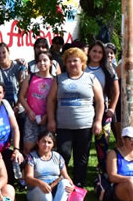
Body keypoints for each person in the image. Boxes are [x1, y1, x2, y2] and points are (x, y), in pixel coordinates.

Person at [47, 47, 104, 186]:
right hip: (63, 125)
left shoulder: (90, 78)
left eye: (75, 61)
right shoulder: (59, 79)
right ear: (65, 63)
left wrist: (98, 121)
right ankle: (62, 182)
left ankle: (79, 183)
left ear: (82, 62)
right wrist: (51, 120)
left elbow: (100, 101)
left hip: (84, 125)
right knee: (64, 154)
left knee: (81, 157)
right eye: (69, 61)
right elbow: (51, 100)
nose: (73, 64)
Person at [23, 131, 74, 201]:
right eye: (43, 141)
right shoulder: (31, 157)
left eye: (49, 142)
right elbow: (28, 178)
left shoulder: (58, 157)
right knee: (42, 187)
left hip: (54, 191)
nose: (46, 145)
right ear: (38, 142)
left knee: (65, 182)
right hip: (36, 192)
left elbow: (66, 176)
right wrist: (40, 183)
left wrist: (72, 186)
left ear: (53, 144)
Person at [87, 41, 120, 170]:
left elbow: (116, 92)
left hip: (104, 110)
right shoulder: (82, 67)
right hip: (85, 109)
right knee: (84, 142)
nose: (96, 54)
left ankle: (103, 169)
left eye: (100, 52)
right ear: (89, 52)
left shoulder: (108, 69)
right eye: (94, 51)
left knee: (102, 142)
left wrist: (112, 108)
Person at [0, 43, 28, 138]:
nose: (1, 55)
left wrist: (17, 106)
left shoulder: (19, 66)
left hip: (19, 106)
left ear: (8, 52)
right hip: (1, 109)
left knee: (21, 137)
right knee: (4, 138)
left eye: (4, 52)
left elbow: (23, 89)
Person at [19, 50, 54, 155]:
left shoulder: (54, 80)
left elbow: (55, 101)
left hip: (46, 119)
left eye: (45, 60)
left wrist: (48, 116)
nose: (42, 63)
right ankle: (27, 169)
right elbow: (21, 96)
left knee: (45, 148)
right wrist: (29, 111)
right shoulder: (30, 78)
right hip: (31, 118)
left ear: (51, 62)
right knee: (28, 148)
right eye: (39, 61)